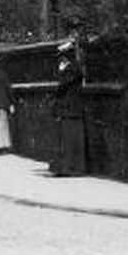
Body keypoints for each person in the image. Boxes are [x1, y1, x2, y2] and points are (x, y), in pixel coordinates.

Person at [48, 36, 87, 176]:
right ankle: (63, 168)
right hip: (66, 108)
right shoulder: (68, 68)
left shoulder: (73, 68)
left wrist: (62, 71)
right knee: (64, 138)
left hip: (71, 108)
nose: (60, 59)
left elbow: (63, 85)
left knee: (70, 139)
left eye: (62, 56)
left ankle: (71, 168)